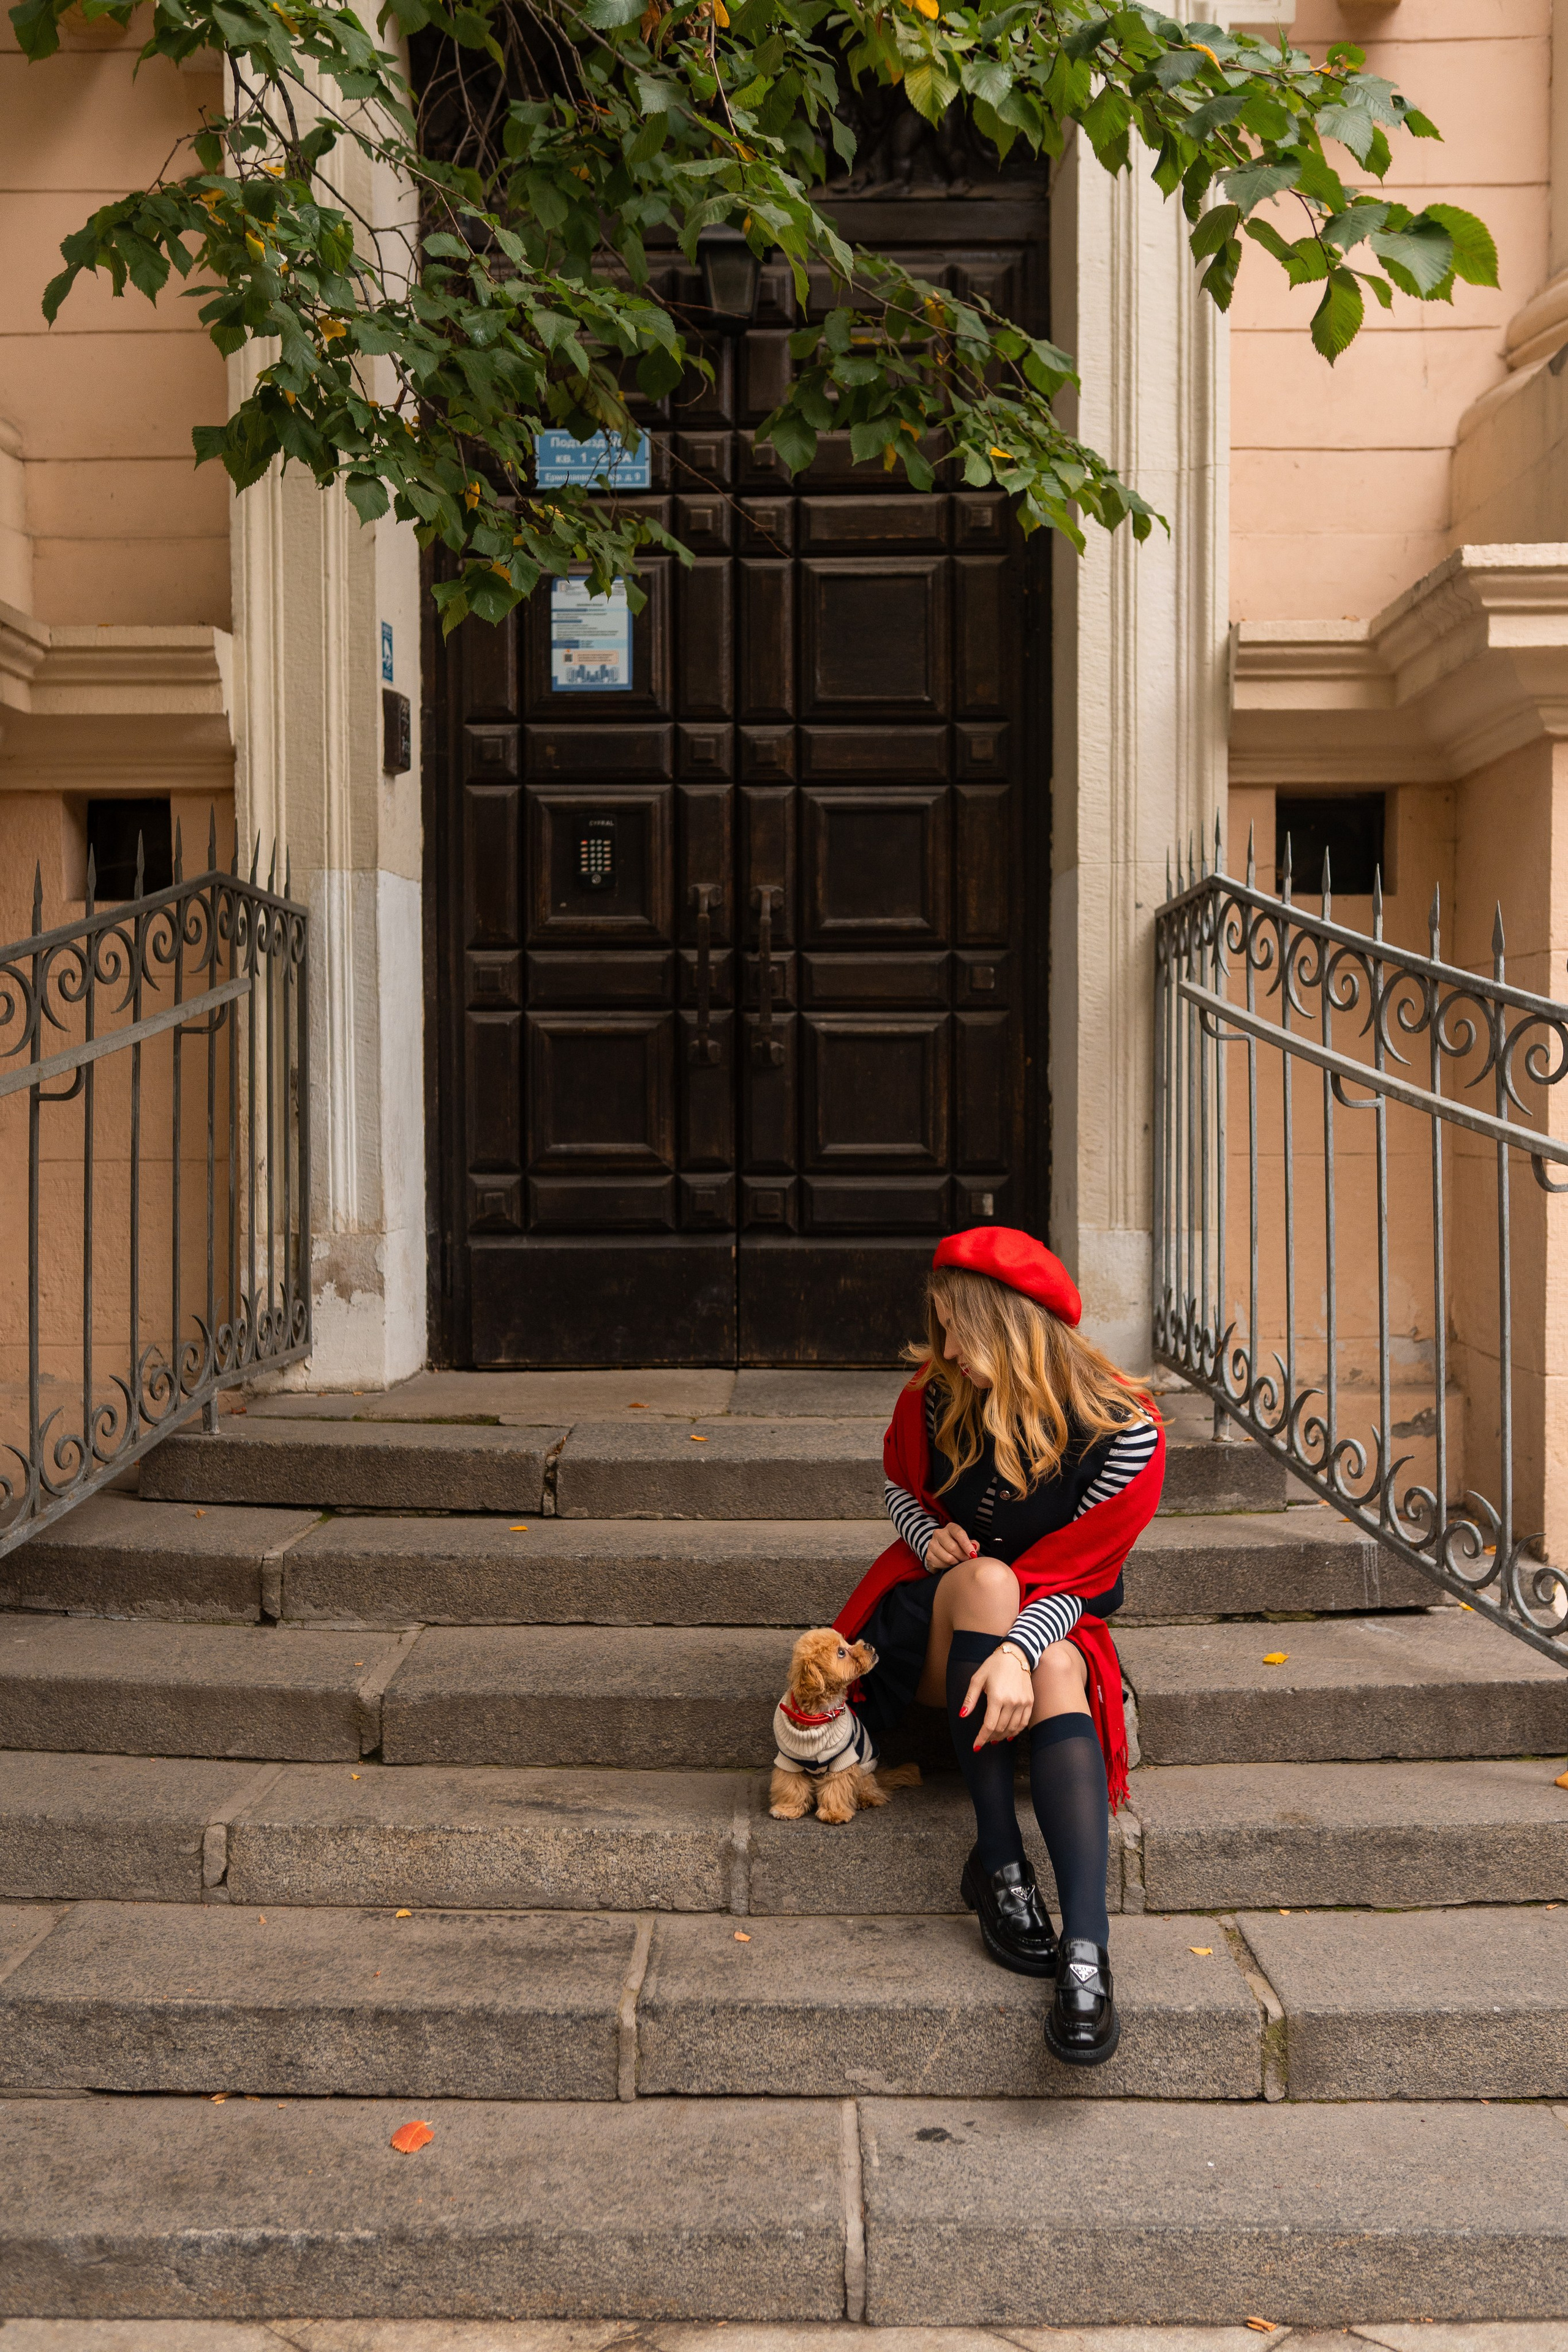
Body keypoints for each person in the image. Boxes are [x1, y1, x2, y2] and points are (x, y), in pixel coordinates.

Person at [834, 1226, 1164, 2066]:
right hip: (941, 1630)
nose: (946, 1348)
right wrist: (929, 1532)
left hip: (1053, 1623)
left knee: (1052, 1653)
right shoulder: (937, 1394)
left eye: (962, 1330)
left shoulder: (1127, 1432)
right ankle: (1000, 1859)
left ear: (1016, 1327)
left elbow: (1080, 1574)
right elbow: (898, 1487)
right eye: (940, 1326)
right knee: (987, 1580)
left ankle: (1086, 1958)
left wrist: (1019, 1651)